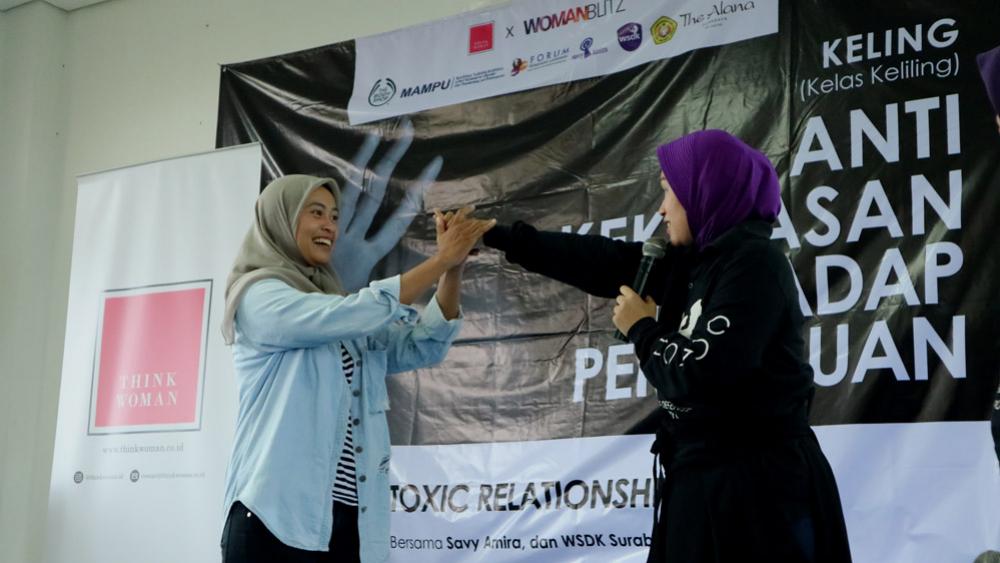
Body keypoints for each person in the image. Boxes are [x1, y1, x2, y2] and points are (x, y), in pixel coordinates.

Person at [478, 130, 852, 562]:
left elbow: (701, 375)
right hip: (698, 477)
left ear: (705, 192)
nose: (661, 208)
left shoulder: (755, 265)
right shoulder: (687, 263)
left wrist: (642, 329)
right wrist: (499, 237)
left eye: (669, 192)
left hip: (759, 491)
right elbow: (595, 259)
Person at [219, 174, 493, 563]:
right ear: (281, 218)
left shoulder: (343, 310)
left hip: (349, 524)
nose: (329, 225)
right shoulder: (257, 296)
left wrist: (453, 269)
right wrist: (439, 260)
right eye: (316, 213)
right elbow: (349, 313)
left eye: (334, 216)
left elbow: (423, 344)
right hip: (276, 522)